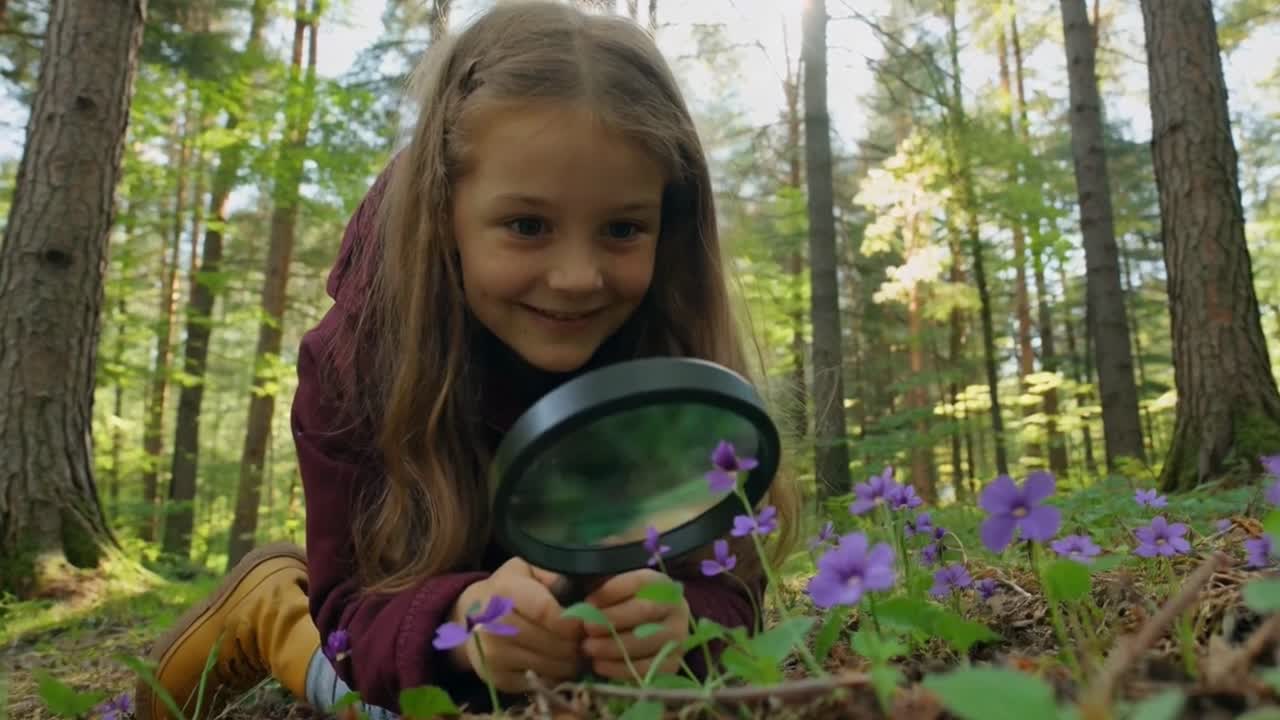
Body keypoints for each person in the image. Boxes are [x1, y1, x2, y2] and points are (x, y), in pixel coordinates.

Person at [135, 2, 800, 718]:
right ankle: (271, 610)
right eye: (526, 225)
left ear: (666, 223)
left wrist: (690, 622)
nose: (578, 275)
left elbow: (729, 582)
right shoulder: (352, 365)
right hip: (428, 659)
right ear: (443, 210)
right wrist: (460, 627)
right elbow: (352, 618)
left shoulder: (669, 349)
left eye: (622, 228)